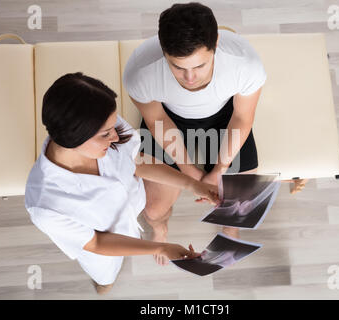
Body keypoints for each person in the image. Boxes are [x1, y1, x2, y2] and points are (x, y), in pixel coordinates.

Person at [24, 72, 220, 295]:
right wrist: (161, 248)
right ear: (74, 137)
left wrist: (194, 185)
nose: (116, 137)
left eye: (113, 127)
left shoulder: (104, 124)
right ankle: (104, 285)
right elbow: (96, 243)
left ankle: (159, 229)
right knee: (105, 281)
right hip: (103, 246)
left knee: (157, 212)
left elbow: (137, 162)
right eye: (106, 134)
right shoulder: (46, 205)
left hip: (133, 202)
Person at [123, 2, 276, 265]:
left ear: (216, 43)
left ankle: (230, 230)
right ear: (163, 50)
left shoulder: (245, 64)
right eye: (178, 67)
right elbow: (157, 118)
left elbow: (241, 117)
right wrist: (188, 170)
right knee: (153, 209)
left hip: (223, 117)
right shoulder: (140, 72)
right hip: (168, 118)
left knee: (239, 203)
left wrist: (218, 169)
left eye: (200, 66)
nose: (190, 78)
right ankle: (161, 230)